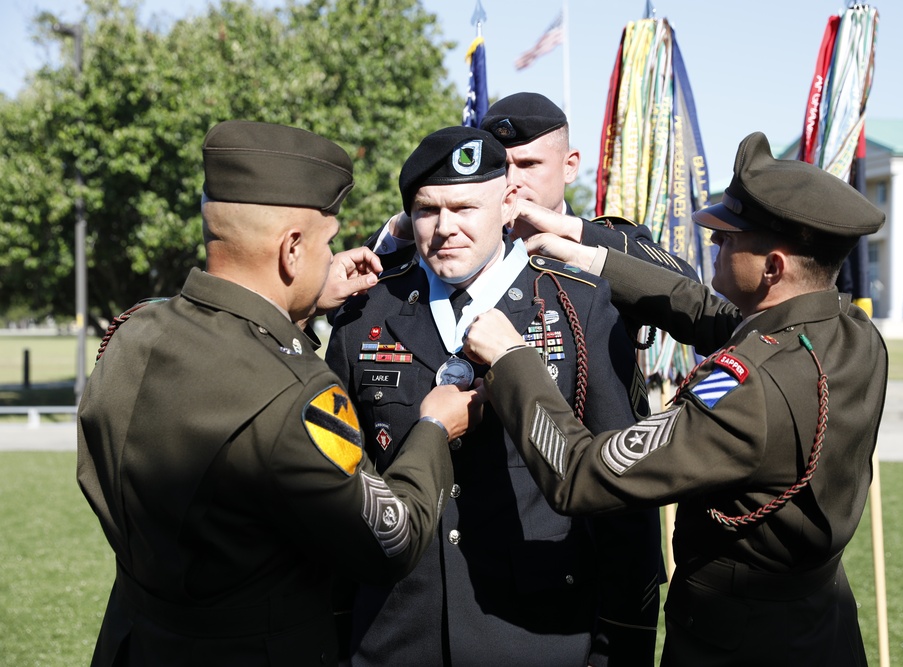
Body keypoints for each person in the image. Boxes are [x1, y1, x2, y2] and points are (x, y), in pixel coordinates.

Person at [463, 131, 888, 666]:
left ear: (773, 268)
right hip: (821, 631)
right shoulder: (849, 331)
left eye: (729, 239)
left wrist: (512, 359)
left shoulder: (748, 390)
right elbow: (706, 311)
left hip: (739, 648)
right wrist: (590, 257)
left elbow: (583, 475)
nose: (714, 245)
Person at [77, 119, 484, 667]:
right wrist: (435, 430)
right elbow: (392, 539)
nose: (332, 254)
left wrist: (303, 299)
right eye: (327, 241)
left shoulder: (135, 333)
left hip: (136, 640)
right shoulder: (299, 397)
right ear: (292, 249)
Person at [327, 126, 663, 665]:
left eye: (464, 207)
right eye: (427, 210)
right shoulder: (365, 312)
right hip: (396, 637)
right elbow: (339, 493)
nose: (445, 228)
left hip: (538, 636)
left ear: (509, 203)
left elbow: (623, 498)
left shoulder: (579, 306)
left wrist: (619, 648)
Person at [370, 92, 695, 279]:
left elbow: (685, 287)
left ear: (569, 167)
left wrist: (568, 231)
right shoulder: (454, 240)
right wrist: (407, 223)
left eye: (528, 165)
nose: (512, 180)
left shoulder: (607, 237)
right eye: (502, 167)